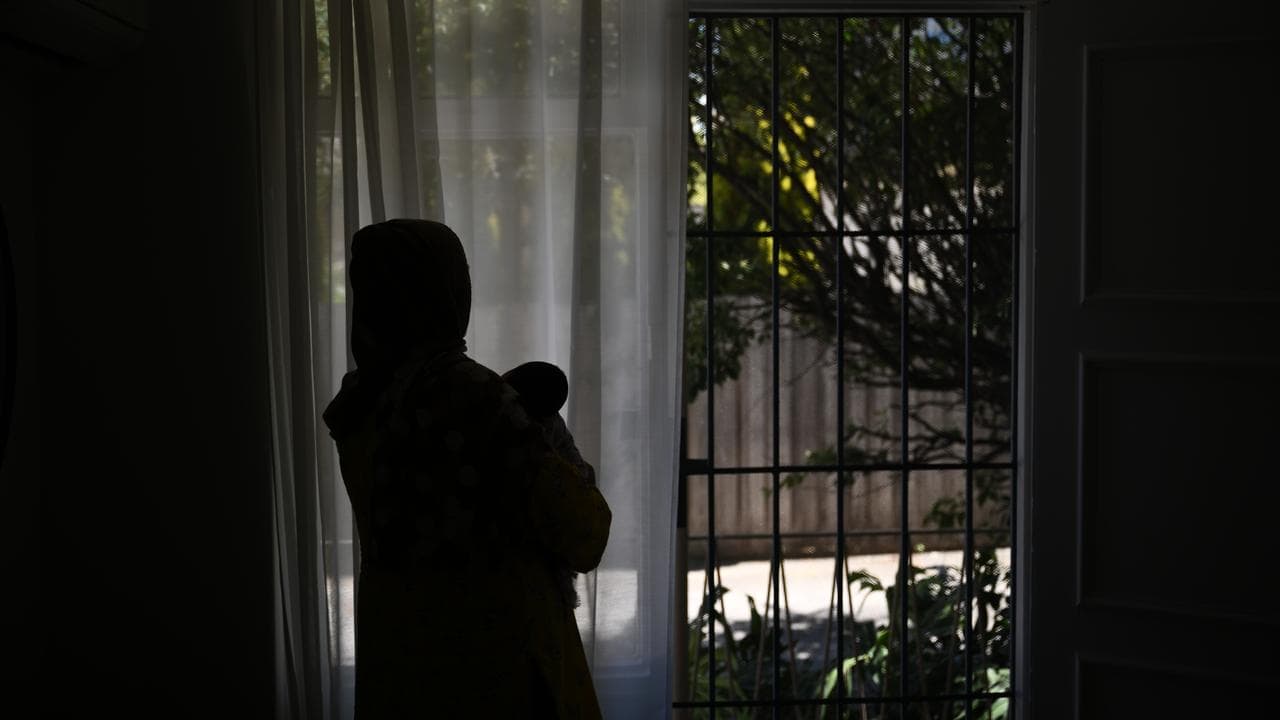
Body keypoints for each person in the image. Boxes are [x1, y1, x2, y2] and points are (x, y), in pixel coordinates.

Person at [322, 219, 611, 719]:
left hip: (402, 667)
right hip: (501, 671)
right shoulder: (478, 401)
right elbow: (584, 533)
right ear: (449, 288)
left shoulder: (360, 403)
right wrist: (551, 434)